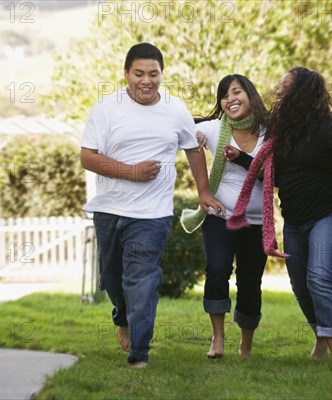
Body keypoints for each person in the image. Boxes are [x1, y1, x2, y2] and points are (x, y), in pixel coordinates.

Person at [228, 67, 332, 374]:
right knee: (300, 286)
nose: (277, 91)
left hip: (330, 213)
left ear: (301, 93)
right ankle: (321, 332)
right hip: (295, 220)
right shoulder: (280, 131)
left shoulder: (327, 128)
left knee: (319, 278)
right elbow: (275, 177)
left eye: (285, 87)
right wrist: (241, 159)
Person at [80, 43, 224, 368]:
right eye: (139, 73)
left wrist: (203, 191)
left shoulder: (175, 109)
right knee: (113, 278)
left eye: (153, 74)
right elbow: (87, 157)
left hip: (152, 214)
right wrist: (131, 172)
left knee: (142, 279)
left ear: (162, 74)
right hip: (109, 209)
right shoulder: (106, 108)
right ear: (126, 74)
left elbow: (193, 148)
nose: (146, 81)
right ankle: (122, 318)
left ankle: (139, 354)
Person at [180, 74, 269, 359]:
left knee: (250, 281)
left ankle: (246, 345)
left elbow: (272, 176)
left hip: (256, 221)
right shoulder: (214, 129)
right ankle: (217, 339)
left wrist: (241, 158)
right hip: (221, 215)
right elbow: (182, 134)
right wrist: (203, 190)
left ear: (251, 95)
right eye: (224, 95)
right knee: (217, 270)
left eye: (236, 92)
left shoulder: (271, 132)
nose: (230, 99)